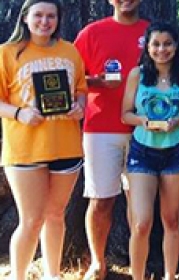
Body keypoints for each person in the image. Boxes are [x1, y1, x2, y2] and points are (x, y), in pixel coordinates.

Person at [0, 0, 87, 279]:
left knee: (56, 215)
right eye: (38, 15)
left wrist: (80, 107)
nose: (45, 21)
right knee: (31, 220)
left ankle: (53, 274)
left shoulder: (70, 50)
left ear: (58, 19)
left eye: (51, 16)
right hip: (25, 148)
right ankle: (19, 275)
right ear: (25, 18)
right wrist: (19, 113)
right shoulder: (7, 53)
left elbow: (81, 89)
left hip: (66, 145)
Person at [73, 0, 148, 278]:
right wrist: (98, 82)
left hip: (144, 129)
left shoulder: (152, 32)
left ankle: (138, 264)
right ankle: (97, 262)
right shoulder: (91, 33)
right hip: (101, 129)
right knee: (101, 200)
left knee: (137, 203)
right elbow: (72, 76)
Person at [121, 22, 179, 280]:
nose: (162, 49)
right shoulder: (137, 74)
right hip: (142, 150)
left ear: (176, 46)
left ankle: (169, 274)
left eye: (167, 44)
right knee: (141, 222)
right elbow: (125, 115)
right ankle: (138, 276)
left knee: (171, 220)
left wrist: (178, 122)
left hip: (177, 150)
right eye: (156, 44)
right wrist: (142, 121)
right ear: (147, 46)